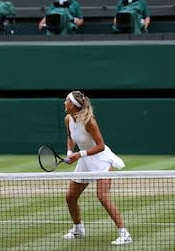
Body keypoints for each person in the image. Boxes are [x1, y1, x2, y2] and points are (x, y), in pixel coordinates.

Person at [62, 90, 132, 245]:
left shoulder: (89, 121)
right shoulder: (68, 119)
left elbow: (101, 146)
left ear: (73, 105)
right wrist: (69, 152)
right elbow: (70, 137)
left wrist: (79, 154)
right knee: (70, 197)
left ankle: (124, 233)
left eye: (66, 100)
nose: (64, 103)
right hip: (85, 161)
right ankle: (78, 229)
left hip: (101, 161)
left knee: (102, 196)